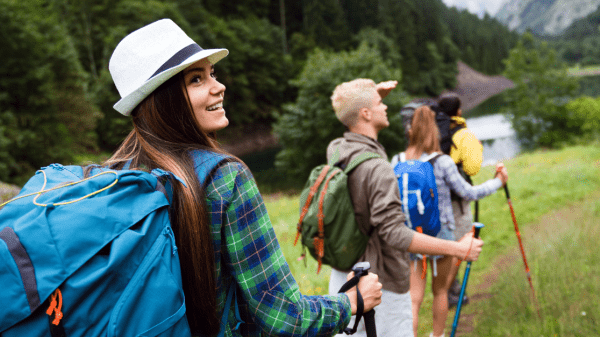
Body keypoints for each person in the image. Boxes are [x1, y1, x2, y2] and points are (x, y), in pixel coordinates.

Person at [105, 19, 383, 337]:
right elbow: (284, 317)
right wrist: (351, 301)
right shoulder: (226, 179)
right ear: (164, 100)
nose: (218, 86)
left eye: (213, 74)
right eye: (197, 79)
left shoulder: (117, 175)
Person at [326, 78, 484, 337]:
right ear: (366, 113)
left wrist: (366, 97)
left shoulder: (337, 150)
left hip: (344, 277)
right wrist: (457, 248)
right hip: (380, 284)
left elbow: (350, 119)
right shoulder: (379, 167)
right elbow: (394, 233)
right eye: (379, 103)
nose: (385, 107)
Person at [404, 105, 507, 337]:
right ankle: (437, 335)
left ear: (410, 131)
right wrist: (498, 182)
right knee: (440, 292)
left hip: (413, 235)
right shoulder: (442, 162)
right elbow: (469, 193)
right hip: (442, 235)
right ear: (434, 131)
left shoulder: (398, 160)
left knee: (413, 299)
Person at [437, 93, 484, 306]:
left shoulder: (431, 131)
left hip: (432, 199)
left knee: (443, 245)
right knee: (459, 244)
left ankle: (447, 290)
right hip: (456, 198)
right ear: (458, 111)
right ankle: (448, 293)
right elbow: (472, 168)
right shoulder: (463, 134)